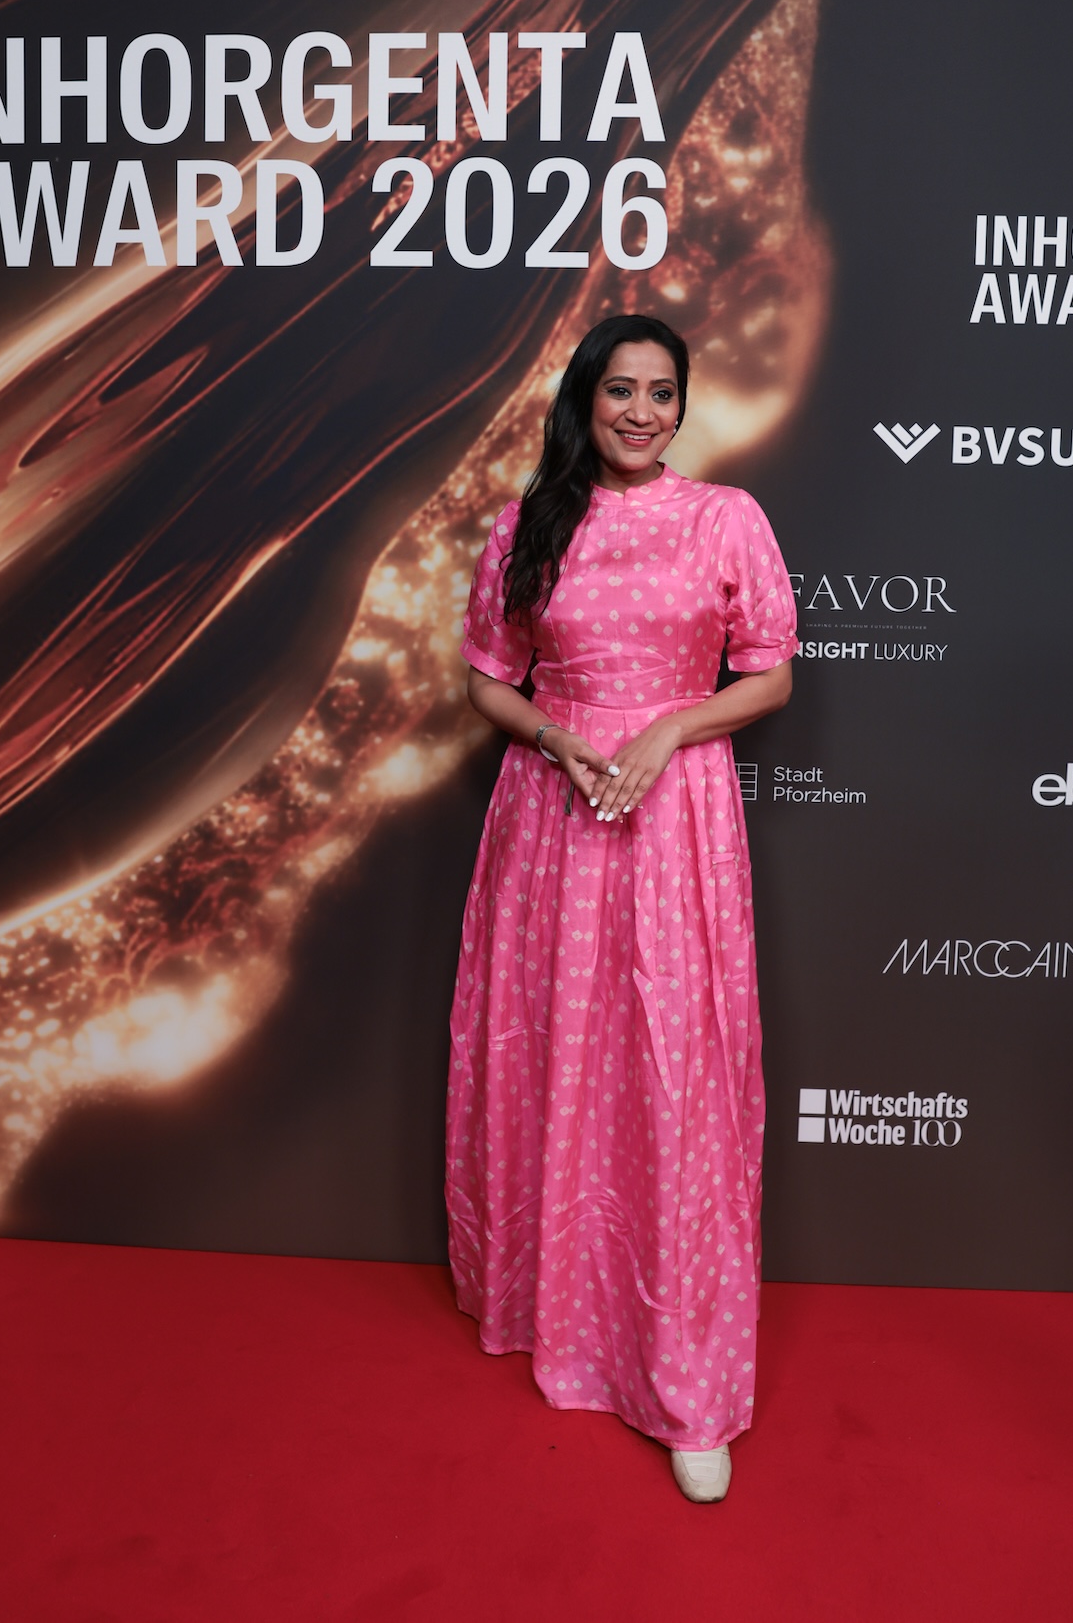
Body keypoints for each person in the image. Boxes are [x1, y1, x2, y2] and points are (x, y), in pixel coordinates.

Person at [446, 314, 796, 1503]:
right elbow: (489, 680)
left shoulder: (723, 517)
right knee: (556, 1056)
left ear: (680, 404)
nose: (641, 411)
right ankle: (561, 1315)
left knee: (673, 1075)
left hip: (674, 817)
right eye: (619, 390)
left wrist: (671, 726)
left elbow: (770, 672)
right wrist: (554, 736)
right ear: (584, 400)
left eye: (660, 391)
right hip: (551, 818)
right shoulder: (527, 524)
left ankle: (686, 1378)